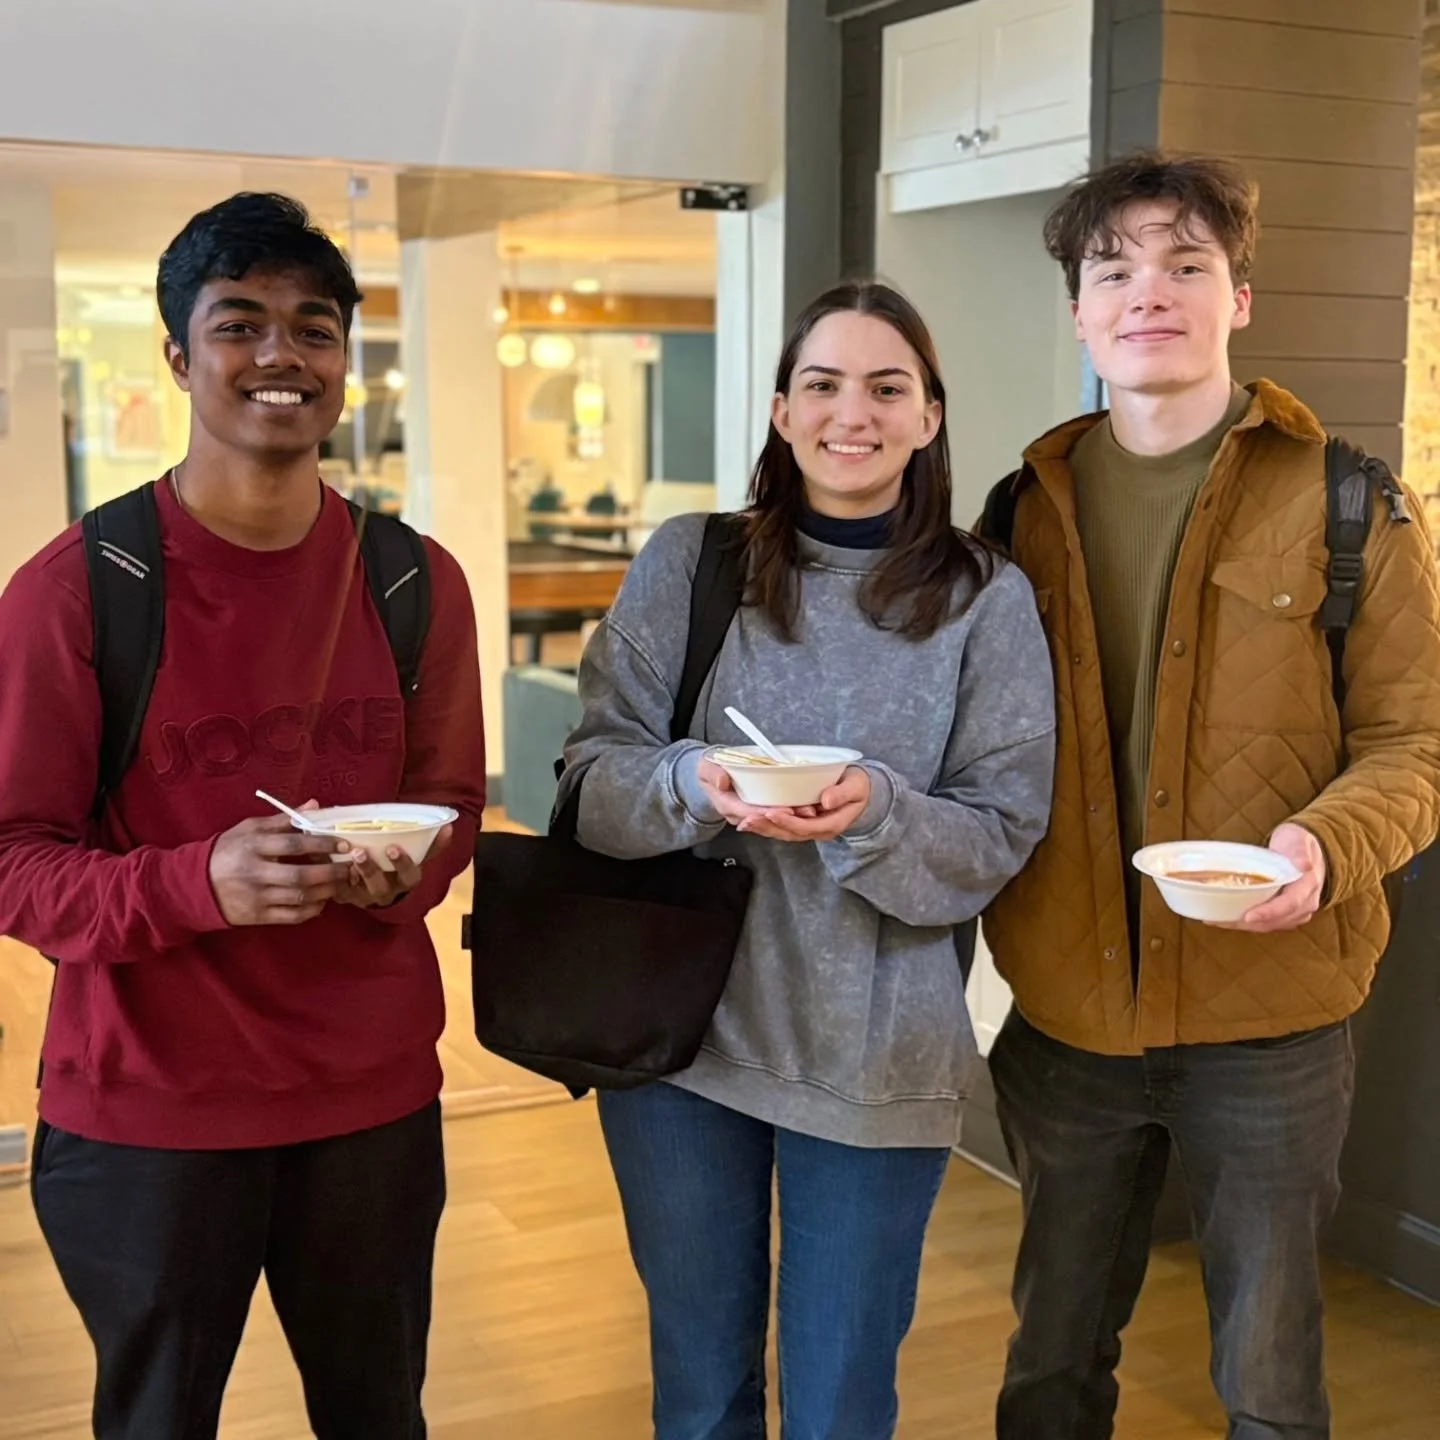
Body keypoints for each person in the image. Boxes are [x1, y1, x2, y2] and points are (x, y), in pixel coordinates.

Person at [0, 192, 486, 1439]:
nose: (283, 356)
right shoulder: (77, 591)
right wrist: (192, 883)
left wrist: (406, 873)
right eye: (241, 324)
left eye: (314, 329)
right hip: (150, 1113)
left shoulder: (413, 580)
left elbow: (447, 804)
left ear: (343, 362)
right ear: (178, 356)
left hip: (372, 1102)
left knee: (380, 1416)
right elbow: (11, 861)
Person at [978, 151, 1440, 1439]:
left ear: (1240, 294)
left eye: (1188, 264)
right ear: (1078, 309)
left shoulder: (1351, 501)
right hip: (1069, 1014)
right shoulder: (1023, 512)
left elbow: (1417, 742)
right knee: (1052, 1359)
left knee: (1273, 1380)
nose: (1149, 293)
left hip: (1272, 1023)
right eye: (1113, 269)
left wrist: (1324, 847)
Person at [560, 281, 1056, 1439]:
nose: (854, 413)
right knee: (700, 1394)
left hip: (878, 1059)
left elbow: (1000, 836)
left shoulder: (986, 599)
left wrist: (875, 810)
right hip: (678, 1046)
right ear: (783, 414)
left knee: (840, 1405)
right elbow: (589, 785)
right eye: (823, 385)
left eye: (889, 388)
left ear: (930, 418)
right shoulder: (694, 563)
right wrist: (695, 784)